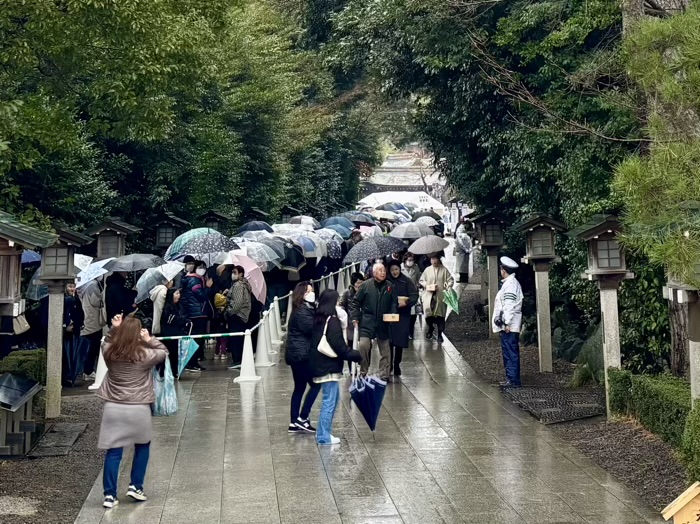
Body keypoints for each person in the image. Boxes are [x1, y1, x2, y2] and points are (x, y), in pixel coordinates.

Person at [96, 314, 168, 509]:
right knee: (142, 446)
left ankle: (109, 495)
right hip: (139, 407)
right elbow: (163, 351)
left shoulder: (110, 352)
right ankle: (136, 486)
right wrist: (149, 339)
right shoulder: (144, 355)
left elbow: (107, 341)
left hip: (113, 406)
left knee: (114, 451)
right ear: (137, 334)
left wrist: (115, 328)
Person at [308, 290, 362, 445]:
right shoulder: (332, 321)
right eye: (337, 301)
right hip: (329, 366)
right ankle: (324, 436)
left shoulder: (318, 318)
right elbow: (338, 345)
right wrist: (355, 355)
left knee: (332, 399)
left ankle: (323, 433)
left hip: (320, 364)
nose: (339, 304)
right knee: (330, 401)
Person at [285, 282, 320, 433]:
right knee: (316, 384)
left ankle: (294, 422)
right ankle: (302, 418)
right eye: (307, 292)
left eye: (312, 291)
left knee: (299, 387)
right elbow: (312, 329)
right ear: (301, 295)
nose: (311, 294)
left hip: (297, 355)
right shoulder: (302, 312)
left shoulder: (304, 309)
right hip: (302, 355)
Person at [352, 262, 398, 381]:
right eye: (380, 270)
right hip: (367, 321)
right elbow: (356, 302)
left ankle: (384, 374)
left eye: (384, 270)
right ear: (374, 272)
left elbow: (394, 301)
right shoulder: (366, 285)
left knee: (386, 350)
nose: (383, 273)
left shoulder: (389, 285)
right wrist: (355, 317)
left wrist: (393, 313)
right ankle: (363, 371)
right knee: (364, 346)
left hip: (383, 322)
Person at [492, 257, 523, 388]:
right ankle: (511, 378)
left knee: (510, 352)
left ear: (503, 270)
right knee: (509, 351)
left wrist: (506, 324)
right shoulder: (510, 283)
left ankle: (513, 380)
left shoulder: (510, 285)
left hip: (509, 325)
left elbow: (509, 306)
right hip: (509, 324)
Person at [179, 260, 213, 372]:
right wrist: (207, 287)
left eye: (204, 267)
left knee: (197, 339)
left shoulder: (196, 279)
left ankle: (193, 362)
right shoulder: (194, 280)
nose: (202, 269)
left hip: (197, 313)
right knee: (196, 339)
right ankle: (192, 363)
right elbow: (200, 295)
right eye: (200, 267)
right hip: (196, 314)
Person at [387, 260, 418, 377]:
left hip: (402, 315)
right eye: (392, 270)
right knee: (389, 341)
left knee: (399, 341)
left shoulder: (406, 281)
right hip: (390, 314)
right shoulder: (387, 281)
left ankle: (397, 364)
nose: (395, 272)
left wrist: (407, 302)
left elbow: (414, 295)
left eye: (396, 269)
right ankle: (389, 365)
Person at [419, 253, 454, 343]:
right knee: (428, 314)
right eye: (432, 259)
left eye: (435, 259)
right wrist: (427, 285)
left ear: (438, 259)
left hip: (440, 296)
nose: (433, 261)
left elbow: (450, 280)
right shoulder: (427, 270)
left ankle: (439, 334)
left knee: (440, 316)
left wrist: (448, 286)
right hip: (429, 296)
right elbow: (422, 280)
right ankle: (430, 328)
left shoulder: (444, 270)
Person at [78, 276, 107, 381]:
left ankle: (85, 371)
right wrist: (102, 296)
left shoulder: (85, 285)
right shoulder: (92, 285)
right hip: (93, 320)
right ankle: (88, 371)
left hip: (87, 317)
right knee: (93, 347)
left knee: (88, 346)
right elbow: (96, 301)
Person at [226, 265, 252, 370]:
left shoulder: (238, 285)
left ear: (241, 274)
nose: (233, 274)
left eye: (235, 272)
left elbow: (237, 303)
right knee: (239, 339)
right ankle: (239, 359)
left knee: (236, 340)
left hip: (237, 315)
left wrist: (230, 312)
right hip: (243, 315)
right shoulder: (244, 284)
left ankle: (237, 360)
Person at [160, 288, 188, 377]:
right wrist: (182, 320)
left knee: (176, 353)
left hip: (177, 332)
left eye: (179, 293)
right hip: (169, 333)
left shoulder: (179, 306)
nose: (178, 295)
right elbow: (170, 319)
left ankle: (175, 370)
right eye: (176, 293)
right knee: (171, 353)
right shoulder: (168, 307)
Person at [340, 272, 364, 344]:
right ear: (353, 284)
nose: (360, 285)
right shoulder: (347, 293)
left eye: (361, 282)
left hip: (363, 322)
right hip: (351, 323)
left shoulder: (365, 292)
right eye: (358, 283)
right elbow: (342, 306)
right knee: (351, 343)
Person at [401, 254, 421, 339]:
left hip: (413, 294)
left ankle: (410, 332)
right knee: (404, 315)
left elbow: (419, 279)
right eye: (409, 260)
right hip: (403, 294)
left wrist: (419, 284)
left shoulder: (416, 268)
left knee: (413, 315)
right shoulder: (400, 268)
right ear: (405, 260)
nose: (410, 262)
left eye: (412, 260)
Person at [454, 218, 473, 283]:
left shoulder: (460, 231)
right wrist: (467, 249)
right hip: (462, 251)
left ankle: (463, 278)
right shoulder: (462, 233)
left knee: (462, 265)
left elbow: (460, 242)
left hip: (461, 251)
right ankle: (463, 278)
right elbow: (462, 242)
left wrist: (466, 249)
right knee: (462, 265)